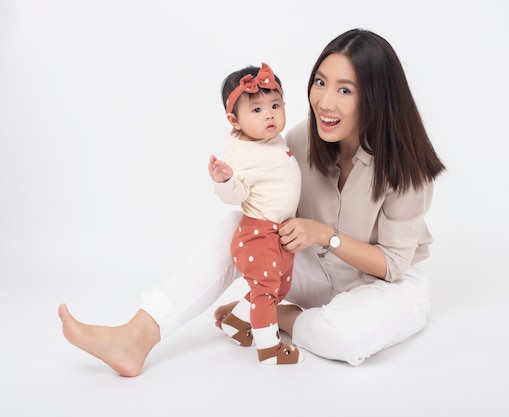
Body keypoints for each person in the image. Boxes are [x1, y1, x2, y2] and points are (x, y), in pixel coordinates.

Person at [58, 28, 446, 377]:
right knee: (236, 225)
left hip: (384, 285)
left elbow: (393, 265)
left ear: (376, 98)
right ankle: (138, 335)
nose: (325, 102)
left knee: (343, 338)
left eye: (345, 90)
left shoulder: (404, 165)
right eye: (320, 82)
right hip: (312, 267)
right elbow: (252, 186)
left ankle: (268, 313)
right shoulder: (301, 139)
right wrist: (229, 180)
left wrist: (324, 235)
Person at [208, 62, 303, 364]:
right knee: (265, 291)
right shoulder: (242, 153)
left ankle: (237, 321)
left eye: (275, 105)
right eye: (257, 110)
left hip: (278, 234)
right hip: (258, 235)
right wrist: (226, 180)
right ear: (234, 120)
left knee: (281, 286)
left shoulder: (268, 139)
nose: (270, 115)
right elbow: (238, 194)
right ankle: (269, 348)